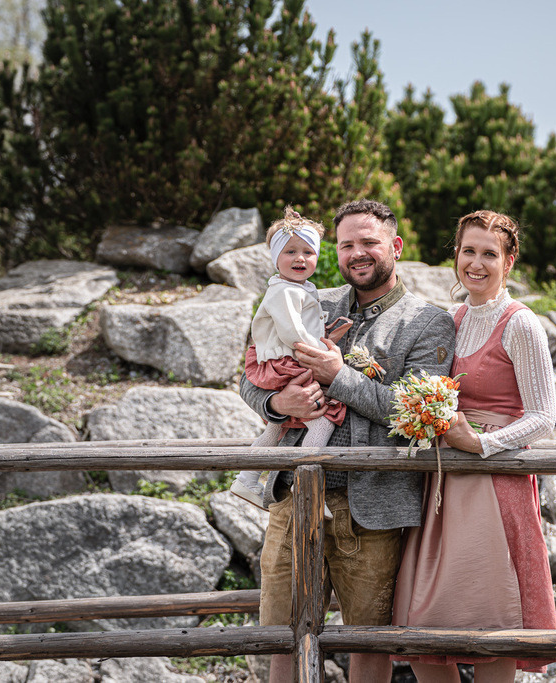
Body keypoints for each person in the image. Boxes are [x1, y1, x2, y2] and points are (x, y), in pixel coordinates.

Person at [238, 199, 456, 683]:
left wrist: (339, 377)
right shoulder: (308, 298)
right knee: (282, 633)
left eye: (369, 243)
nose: (357, 253)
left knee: (368, 639)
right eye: (346, 245)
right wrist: (279, 407)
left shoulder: (428, 322)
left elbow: (410, 415)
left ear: (395, 247)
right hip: (294, 496)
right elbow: (252, 376)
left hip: (374, 507)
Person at [392, 209, 556, 683]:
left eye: (490, 253)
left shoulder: (521, 325)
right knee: (425, 625)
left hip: (496, 483)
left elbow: (544, 416)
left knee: (494, 618)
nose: (477, 263)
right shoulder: (451, 318)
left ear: (509, 262)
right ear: (456, 255)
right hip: (443, 484)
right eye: (469, 251)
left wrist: (482, 443)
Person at [229, 206, 348, 514]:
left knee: (277, 426)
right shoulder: (283, 292)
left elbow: (304, 327)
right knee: (323, 419)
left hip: (289, 357)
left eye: (308, 252)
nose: (300, 258)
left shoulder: (298, 289)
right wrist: (321, 351)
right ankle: (305, 484)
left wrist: (327, 334)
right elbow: (292, 331)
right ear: (275, 258)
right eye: (290, 251)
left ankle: (246, 478)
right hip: (289, 360)